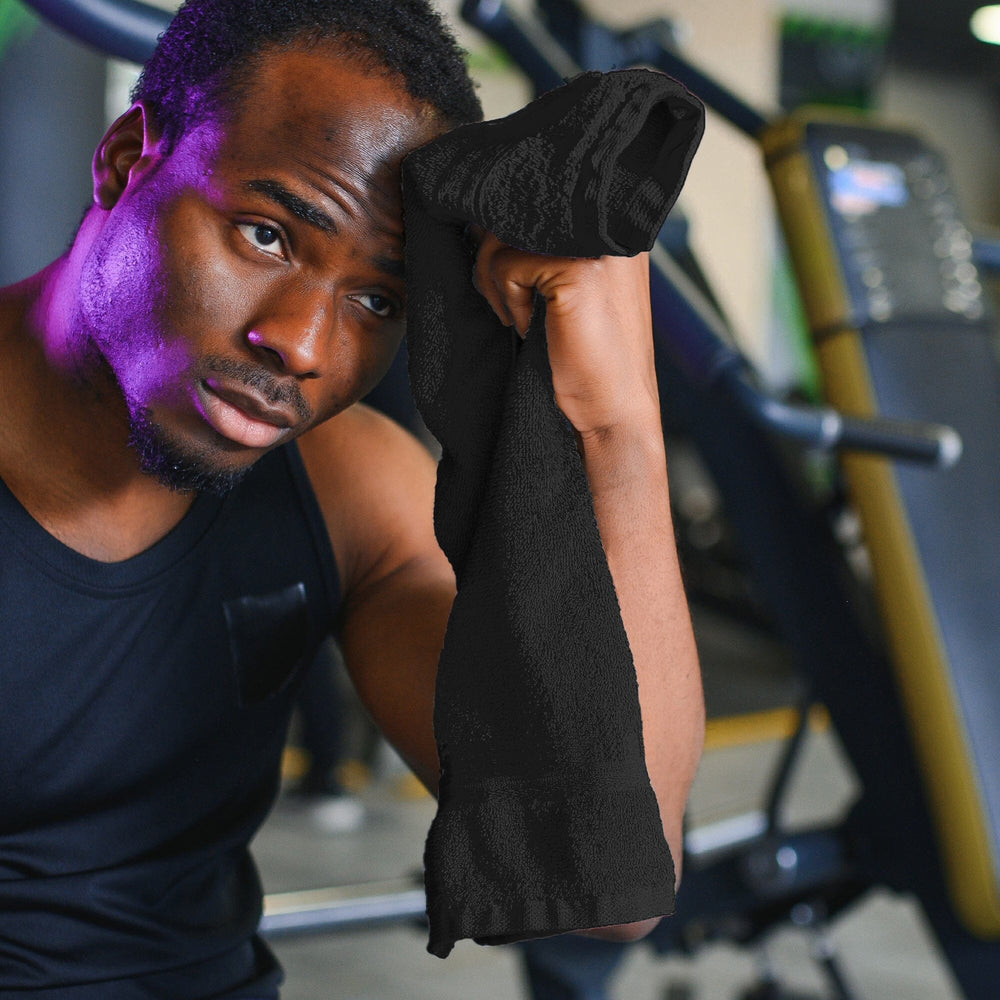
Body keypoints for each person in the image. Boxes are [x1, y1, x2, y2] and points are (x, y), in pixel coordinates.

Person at [0, 0, 704, 995]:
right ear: (125, 159)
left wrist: (616, 420)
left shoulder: (350, 490)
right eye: (266, 234)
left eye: (376, 299)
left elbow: (599, 882)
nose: (302, 343)